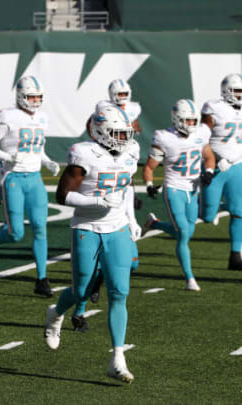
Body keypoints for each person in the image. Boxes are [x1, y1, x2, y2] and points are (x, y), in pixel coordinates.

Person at [45, 105, 140, 383]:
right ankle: (56, 312)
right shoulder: (84, 153)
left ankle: (118, 358)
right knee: (82, 289)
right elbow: (62, 195)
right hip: (86, 227)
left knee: (119, 292)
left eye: (125, 133)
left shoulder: (130, 152)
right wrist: (96, 201)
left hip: (118, 226)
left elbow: (127, 185)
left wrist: (132, 218)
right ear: (100, 131)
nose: (123, 138)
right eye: (117, 133)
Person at [0, 76, 60, 298]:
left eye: (38, 97)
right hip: (12, 178)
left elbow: (37, 147)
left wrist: (47, 160)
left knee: (40, 228)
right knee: (16, 233)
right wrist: (6, 156)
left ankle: (42, 279)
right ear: (21, 96)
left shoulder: (42, 118)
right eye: (31, 96)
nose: (34, 101)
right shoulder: (9, 116)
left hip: (35, 178)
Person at [141, 99, 213, 291]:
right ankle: (190, 278)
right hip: (174, 189)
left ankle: (154, 224)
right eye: (187, 120)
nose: (192, 124)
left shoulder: (201, 133)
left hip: (193, 188)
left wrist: (209, 171)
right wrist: (149, 184)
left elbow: (208, 156)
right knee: (183, 232)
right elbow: (149, 166)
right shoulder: (164, 137)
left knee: (187, 232)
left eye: (193, 120)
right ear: (177, 119)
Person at [200, 73, 242, 269]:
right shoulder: (213, 108)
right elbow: (201, 137)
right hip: (217, 165)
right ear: (226, 91)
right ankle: (211, 205)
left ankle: (235, 256)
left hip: (238, 165)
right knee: (207, 217)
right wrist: (216, 157)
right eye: (237, 91)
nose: (240, 95)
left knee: (239, 211)